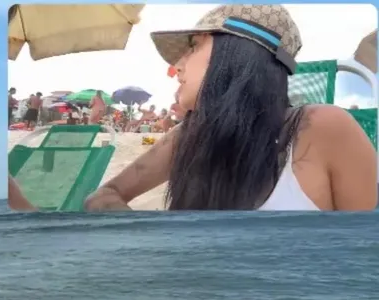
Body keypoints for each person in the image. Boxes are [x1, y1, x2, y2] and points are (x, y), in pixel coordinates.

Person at [83, 4, 377, 212]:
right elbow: (103, 196)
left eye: (194, 47)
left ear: (237, 53)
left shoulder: (321, 128)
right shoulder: (187, 137)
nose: (177, 65)